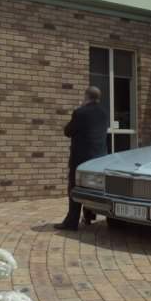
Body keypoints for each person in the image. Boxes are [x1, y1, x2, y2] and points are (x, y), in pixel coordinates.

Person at [54, 86, 109, 231]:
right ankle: (89, 216)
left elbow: (68, 131)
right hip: (99, 157)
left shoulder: (80, 112)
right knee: (92, 187)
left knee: (74, 187)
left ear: (86, 97)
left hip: (81, 158)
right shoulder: (104, 113)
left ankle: (71, 222)